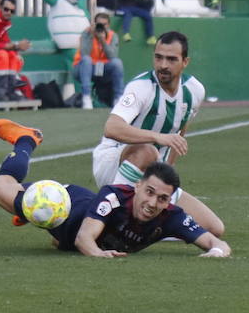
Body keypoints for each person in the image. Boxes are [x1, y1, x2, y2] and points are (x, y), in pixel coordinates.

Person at [0, 120, 230, 257]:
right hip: (65, 209)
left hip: (71, 235)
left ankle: (32, 218)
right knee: (0, 189)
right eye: (149, 192)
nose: (153, 203)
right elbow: (84, 239)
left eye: (163, 198)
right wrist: (98, 255)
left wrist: (215, 253)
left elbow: (215, 242)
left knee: (61, 245)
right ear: (138, 186)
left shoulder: (170, 216)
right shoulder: (113, 197)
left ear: (170, 202)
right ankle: (27, 139)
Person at [90, 31, 224, 237]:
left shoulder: (194, 90)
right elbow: (112, 128)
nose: (163, 65)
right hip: (113, 161)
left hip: (150, 176)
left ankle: (147, 229)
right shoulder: (141, 87)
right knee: (148, 151)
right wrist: (157, 137)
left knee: (214, 229)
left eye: (171, 59)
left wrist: (166, 172)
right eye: (158, 57)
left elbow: (181, 129)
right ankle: (112, 218)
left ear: (185, 62)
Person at [73, 11, 125, 108]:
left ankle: (118, 98)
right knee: (86, 60)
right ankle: (86, 97)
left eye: (104, 24)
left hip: (103, 69)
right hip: (83, 69)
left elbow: (112, 56)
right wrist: (92, 35)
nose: (102, 27)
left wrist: (103, 41)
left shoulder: (112, 36)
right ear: (94, 24)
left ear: (108, 25)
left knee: (117, 62)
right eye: (99, 24)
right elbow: (84, 54)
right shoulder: (86, 33)